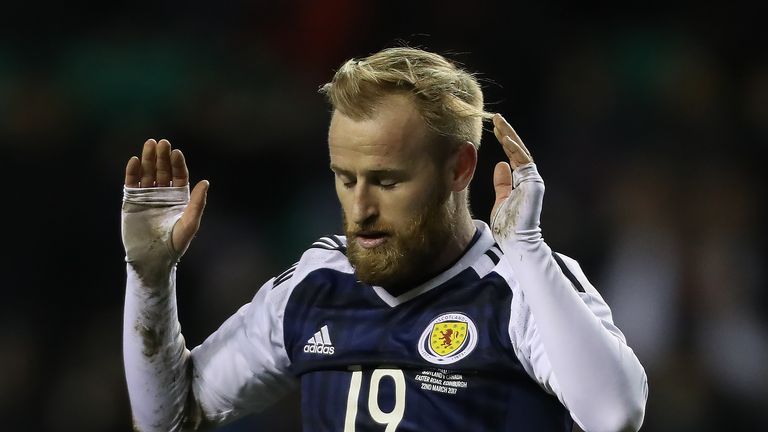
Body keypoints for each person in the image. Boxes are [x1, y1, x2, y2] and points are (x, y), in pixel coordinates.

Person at [121, 47, 648, 432]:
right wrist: (148, 276)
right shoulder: (316, 285)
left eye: (387, 180)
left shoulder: (521, 286)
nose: (361, 208)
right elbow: (169, 418)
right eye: (345, 178)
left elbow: (614, 415)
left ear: (459, 168)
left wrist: (529, 250)